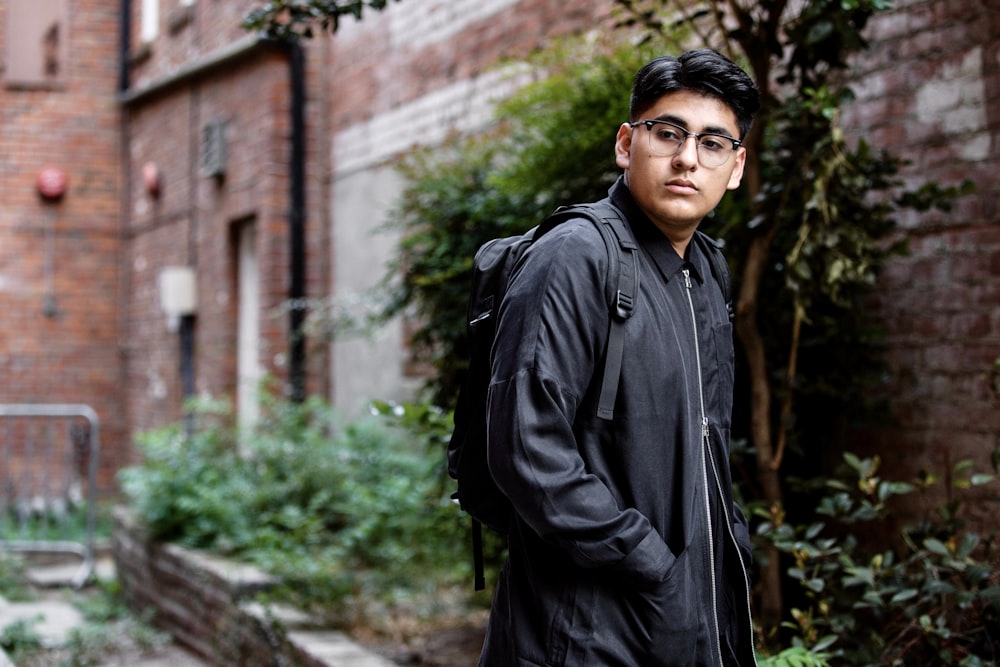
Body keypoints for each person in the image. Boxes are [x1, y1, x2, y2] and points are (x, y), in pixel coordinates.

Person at [480, 49, 760, 666]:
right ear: (627, 144)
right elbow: (526, 451)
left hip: (689, 619)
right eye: (669, 133)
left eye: (714, 143)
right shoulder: (575, 257)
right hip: (585, 632)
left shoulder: (703, 270)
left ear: (735, 167)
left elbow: (708, 445)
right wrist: (649, 559)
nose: (689, 157)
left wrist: (718, 556)